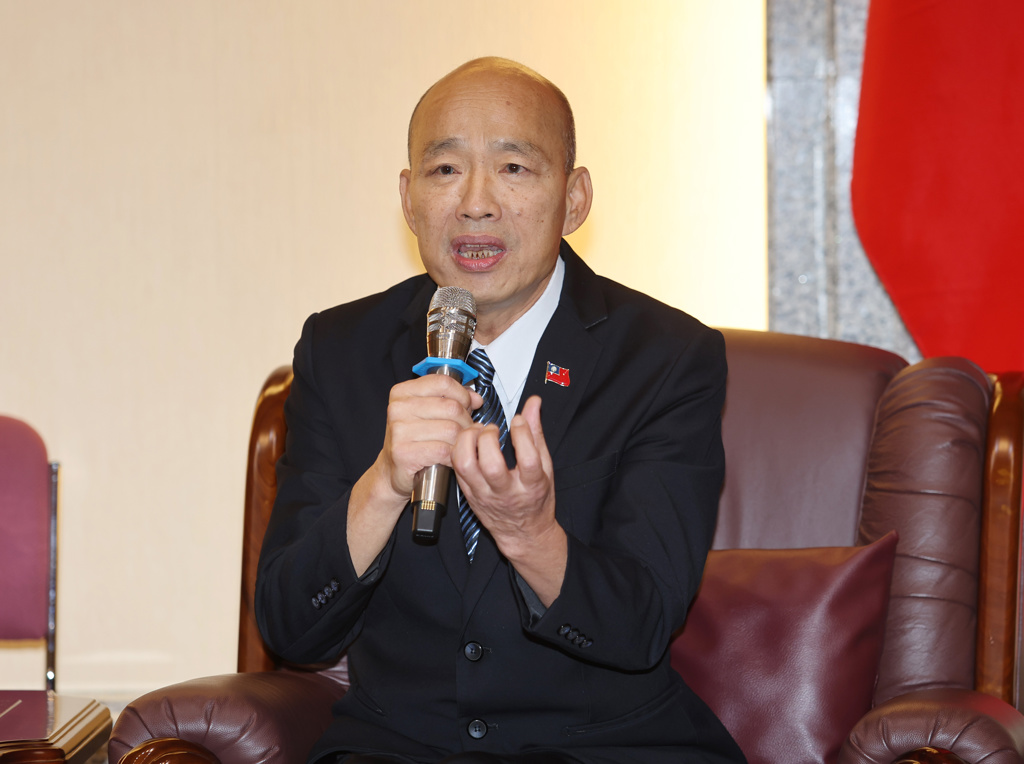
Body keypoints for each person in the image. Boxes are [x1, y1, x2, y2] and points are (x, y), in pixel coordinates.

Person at [255, 57, 746, 764]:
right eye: (445, 169)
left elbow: (643, 624)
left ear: (574, 199)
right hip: (401, 750)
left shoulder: (665, 357)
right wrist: (383, 485)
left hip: (605, 750)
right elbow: (291, 628)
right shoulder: (340, 350)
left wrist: (530, 535)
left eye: (514, 168)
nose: (476, 203)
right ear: (409, 199)